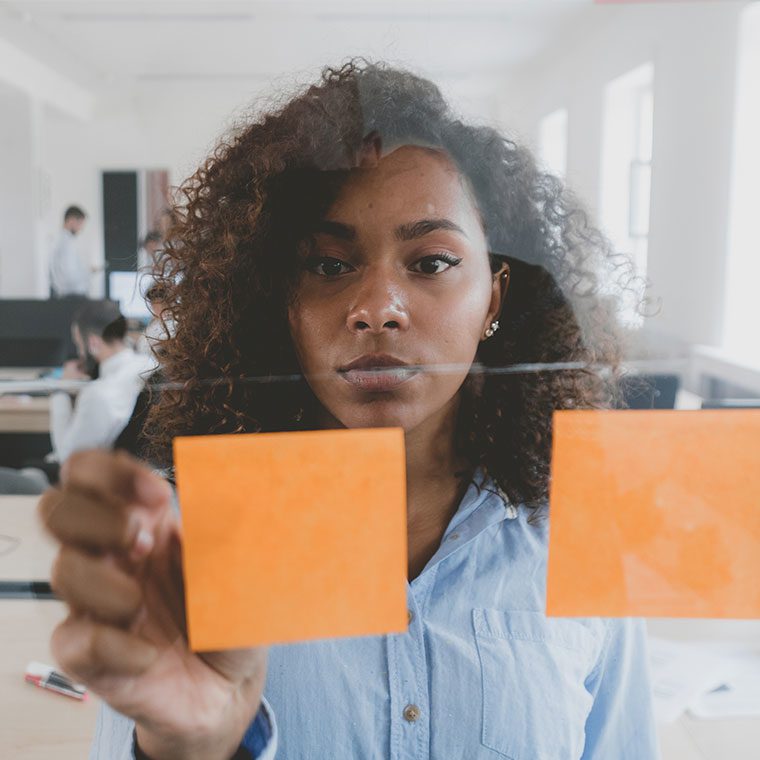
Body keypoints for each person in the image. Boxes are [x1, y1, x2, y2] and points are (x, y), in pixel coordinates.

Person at [39, 62, 657, 760]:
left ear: (494, 297)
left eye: (430, 263)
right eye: (330, 266)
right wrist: (190, 749)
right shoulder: (204, 542)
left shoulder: (581, 536)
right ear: (281, 303)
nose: (377, 310)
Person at [49, 301, 154, 464]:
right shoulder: (149, 365)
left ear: (93, 343)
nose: (79, 353)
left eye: (79, 345)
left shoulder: (99, 394)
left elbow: (69, 460)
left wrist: (61, 390)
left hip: (105, 480)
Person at [50, 205, 90, 298]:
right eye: (80, 224)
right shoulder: (65, 242)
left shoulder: (64, 240)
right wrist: (86, 272)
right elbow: (69, 273)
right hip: (72, 295)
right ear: (71, 220)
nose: (81, 228)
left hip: (69, 294)